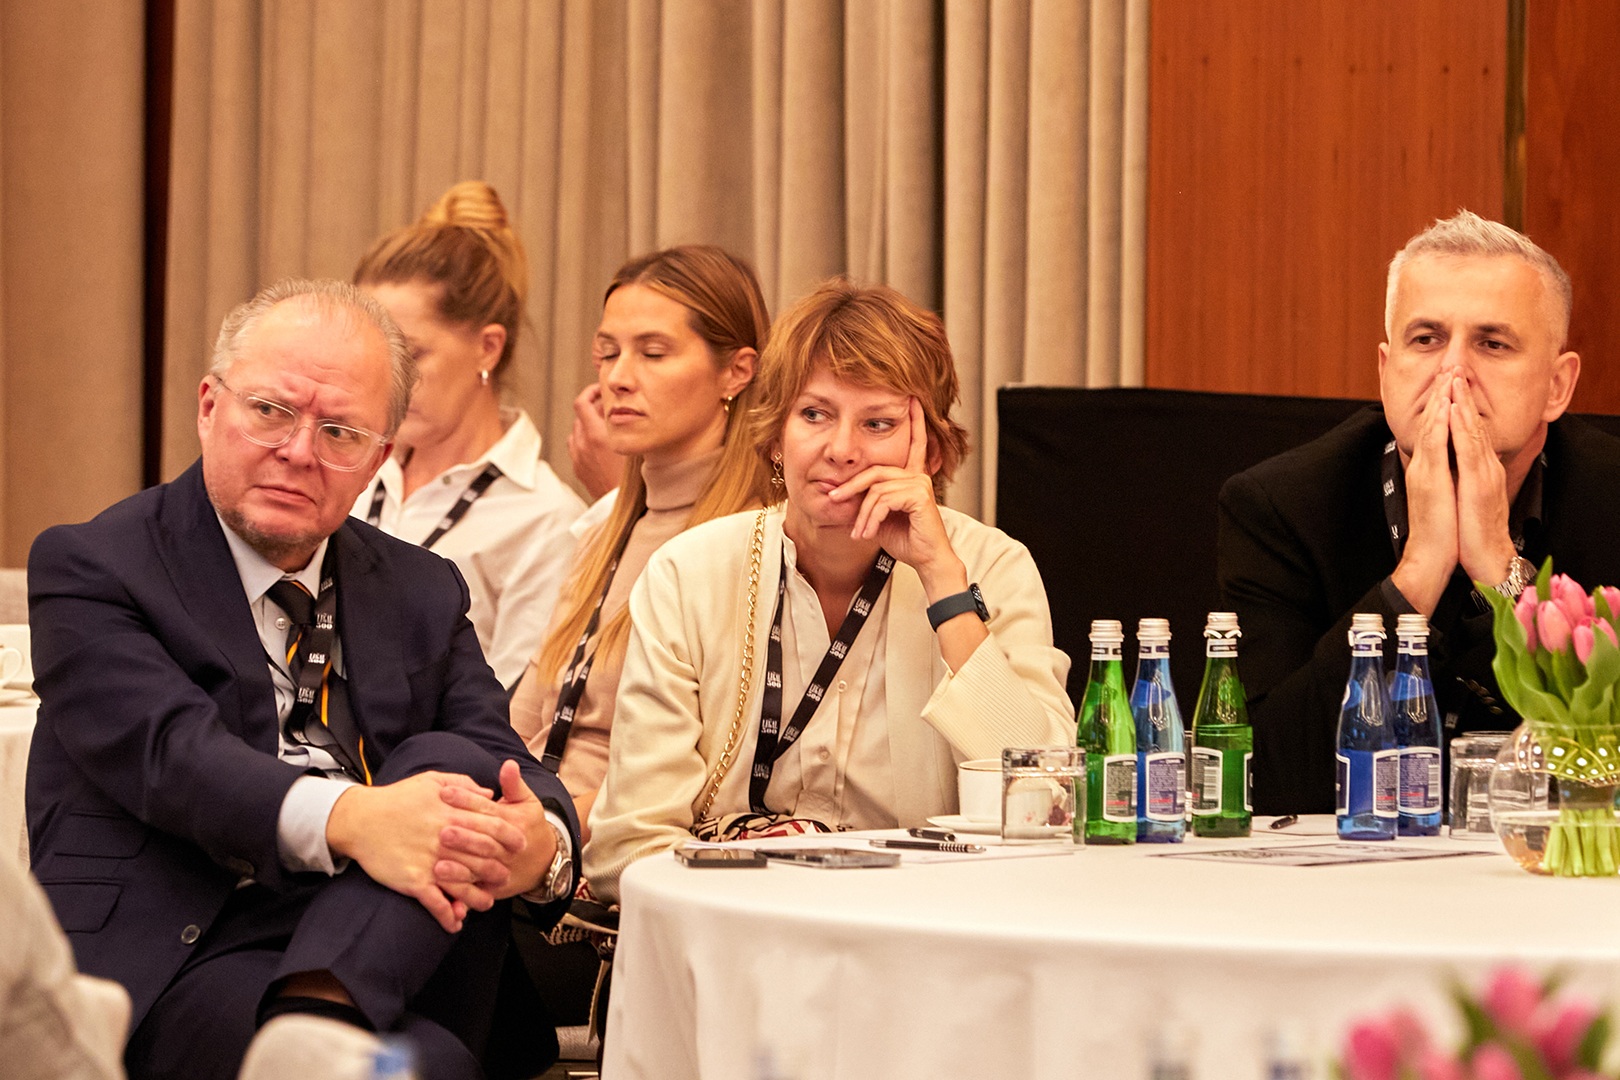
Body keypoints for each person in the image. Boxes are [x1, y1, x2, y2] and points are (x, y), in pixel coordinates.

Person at [25, 279, 579, 1080]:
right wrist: (358, 819)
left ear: (378, 459)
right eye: (270, 412)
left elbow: (500, 757)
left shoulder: (421, 588)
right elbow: (175, 757)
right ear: (209, 407)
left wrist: (541, 846)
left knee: (455, 762)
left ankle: (317, 1015)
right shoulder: (95, 566)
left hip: (398, 936)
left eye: (339, 432)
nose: (298, 452)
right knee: (422, 1067)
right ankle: (323, 1026)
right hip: (190, 939)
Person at [584, 280, 1074, 901]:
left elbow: (1046, 802)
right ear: (775, 436)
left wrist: (943, 584)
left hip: (925, 918)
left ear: (928, 449)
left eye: (878, 423)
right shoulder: (689, 574)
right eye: (814, 414)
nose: (841, 450)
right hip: (734, 917)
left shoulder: (991, 566)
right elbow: (627, 847)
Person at [1218, 210, 1620, 814]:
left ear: (1557, 386)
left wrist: (1501, 573)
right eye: (1426, 339)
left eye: (1492, 344)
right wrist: (1417, 574)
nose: (1452, 371)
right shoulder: (1280, 507)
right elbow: (1264, 779)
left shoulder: (1610, 499)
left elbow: (1604, 767)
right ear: (1386, 373)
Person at [508, 246, 769, 837]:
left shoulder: (750, 546)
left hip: (608, 843)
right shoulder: (605, 531)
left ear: (737, 371)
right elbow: (520, 723)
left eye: (653, 353)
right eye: (607, 353)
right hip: (533, 819)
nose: (617, 378)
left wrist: (540, 829)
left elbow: (704, 782)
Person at [353, 180, 584, 688]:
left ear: (488, 348)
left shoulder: (546, 521)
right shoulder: (347, 468)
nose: (387, 380)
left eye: (411, 354)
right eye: (376, 354)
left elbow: (511, 715)